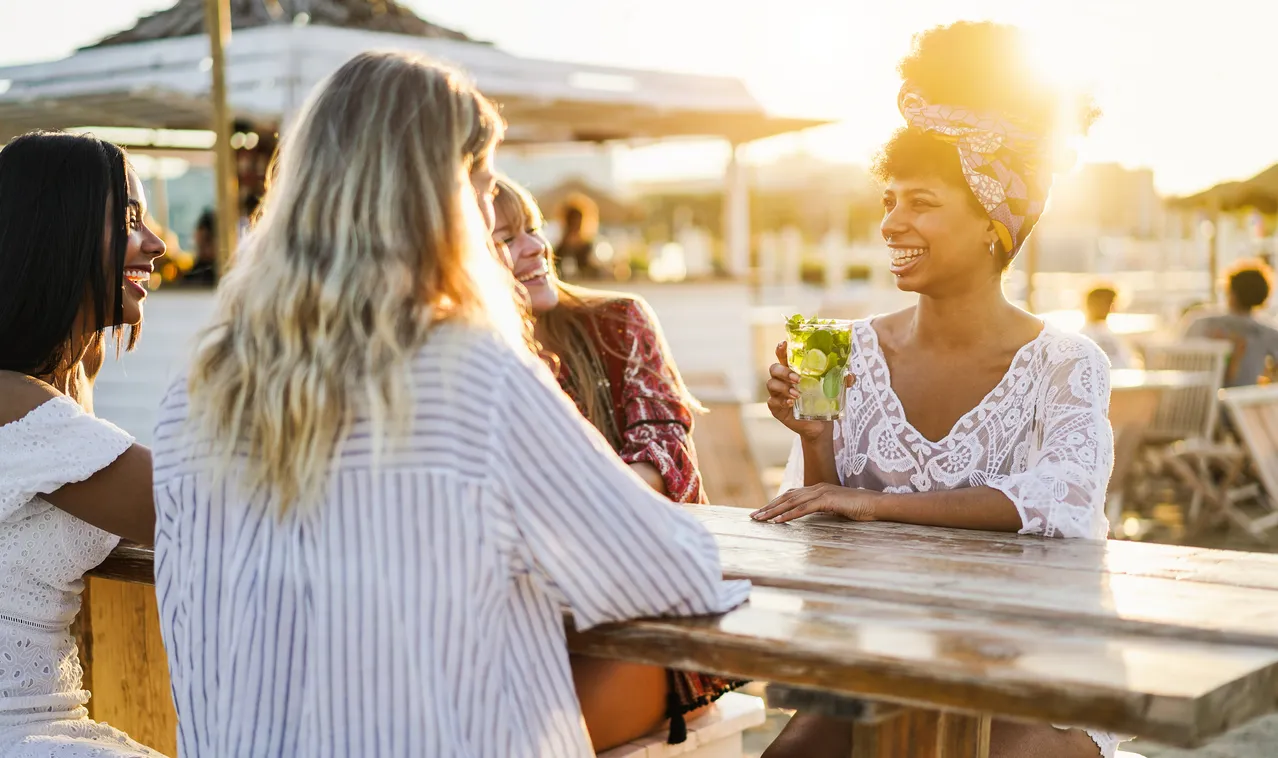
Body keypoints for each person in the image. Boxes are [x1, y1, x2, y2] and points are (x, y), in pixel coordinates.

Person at [150, 51, 748, 758]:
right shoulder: (470, 376)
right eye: (485, 188)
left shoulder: (196, 394)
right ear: (444, 199)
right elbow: (664, 571)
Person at [754, 22, 1119, 758]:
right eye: (888, 200)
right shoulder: (849, 349)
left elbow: (1062, 499)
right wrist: (817, 445)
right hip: (880, 657)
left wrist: (873, 504)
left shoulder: (1066, 363)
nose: (892, 223)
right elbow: (821, 538)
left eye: (920, 202)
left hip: (1027, 661)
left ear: (993, 222)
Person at [492, 176, 743, 750]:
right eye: (505, 238)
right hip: (514, 631)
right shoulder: (460, 361)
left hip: (631, 629)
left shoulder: (617, 322)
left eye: (533, 228)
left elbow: (664, 454)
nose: (535, 246)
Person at [0, 131, 167, 756]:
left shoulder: (32, 395)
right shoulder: (16, 405)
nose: (156, 244)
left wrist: (78, 356)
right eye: (130, 220)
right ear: (56, 232)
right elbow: (203, 506)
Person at [1185, 259, 1278, 387]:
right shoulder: (1267, 333)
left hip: (1197, 399)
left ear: (1230, 292)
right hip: (1240, 402)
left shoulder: (1199, 321)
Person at [1080, 284, 1136, 369]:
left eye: (1110, 303)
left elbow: (1127, 364)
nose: (1108, 308)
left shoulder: (1114, 335)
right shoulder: (1083, 336)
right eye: (1105, 302)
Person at [555, 193, 600, 279]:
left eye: (578, 221)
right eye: (572, 220)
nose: (575, 224)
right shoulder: (559, 247)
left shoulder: (589, 247)